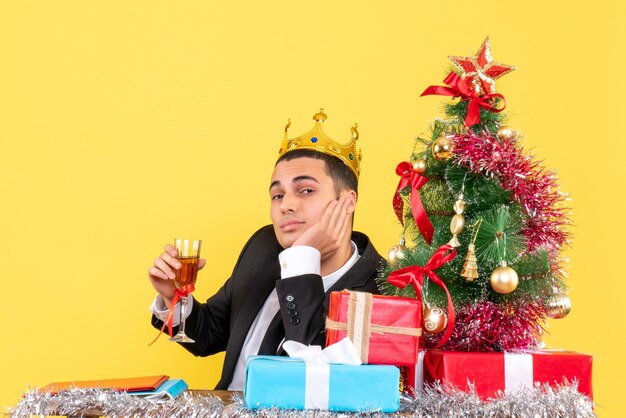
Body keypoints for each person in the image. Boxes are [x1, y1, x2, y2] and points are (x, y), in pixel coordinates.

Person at [148, 110, 384, 390]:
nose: (286, 205)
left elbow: (307, 382)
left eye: (306, 190)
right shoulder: (263, 246)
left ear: (347, 201)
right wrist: (174, 298)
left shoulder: (380, 288)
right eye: (278, 195)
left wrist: (302, 259)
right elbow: (211, 334)